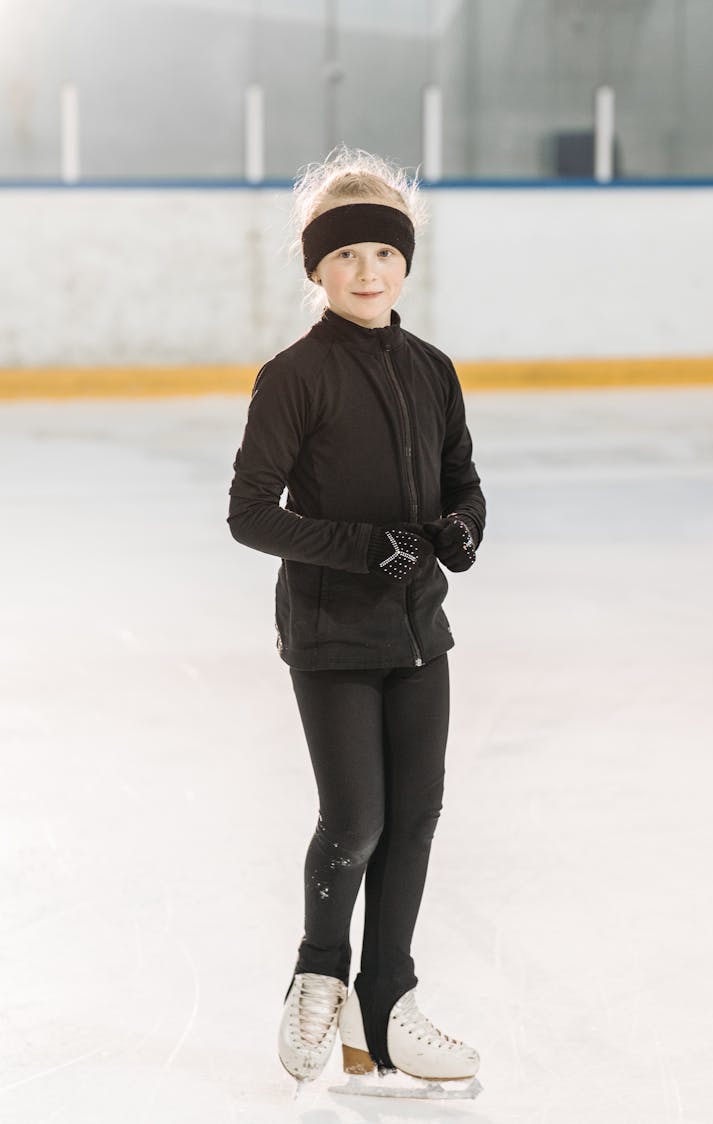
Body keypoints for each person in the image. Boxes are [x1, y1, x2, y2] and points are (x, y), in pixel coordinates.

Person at [227, 146, 486, 1087]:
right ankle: (318, 978)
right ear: (317, 270)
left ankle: (388, 1007)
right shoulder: (294, 377)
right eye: (346, 257)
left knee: (415, 817)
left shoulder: (433, 370)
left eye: (383, 252)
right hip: (334, 634)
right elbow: (251, 513)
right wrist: (368, 547)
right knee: (355, 821)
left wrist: (460, 528)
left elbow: (465, 481)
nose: (367, 271)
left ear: (405, 261)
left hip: (421, 634)